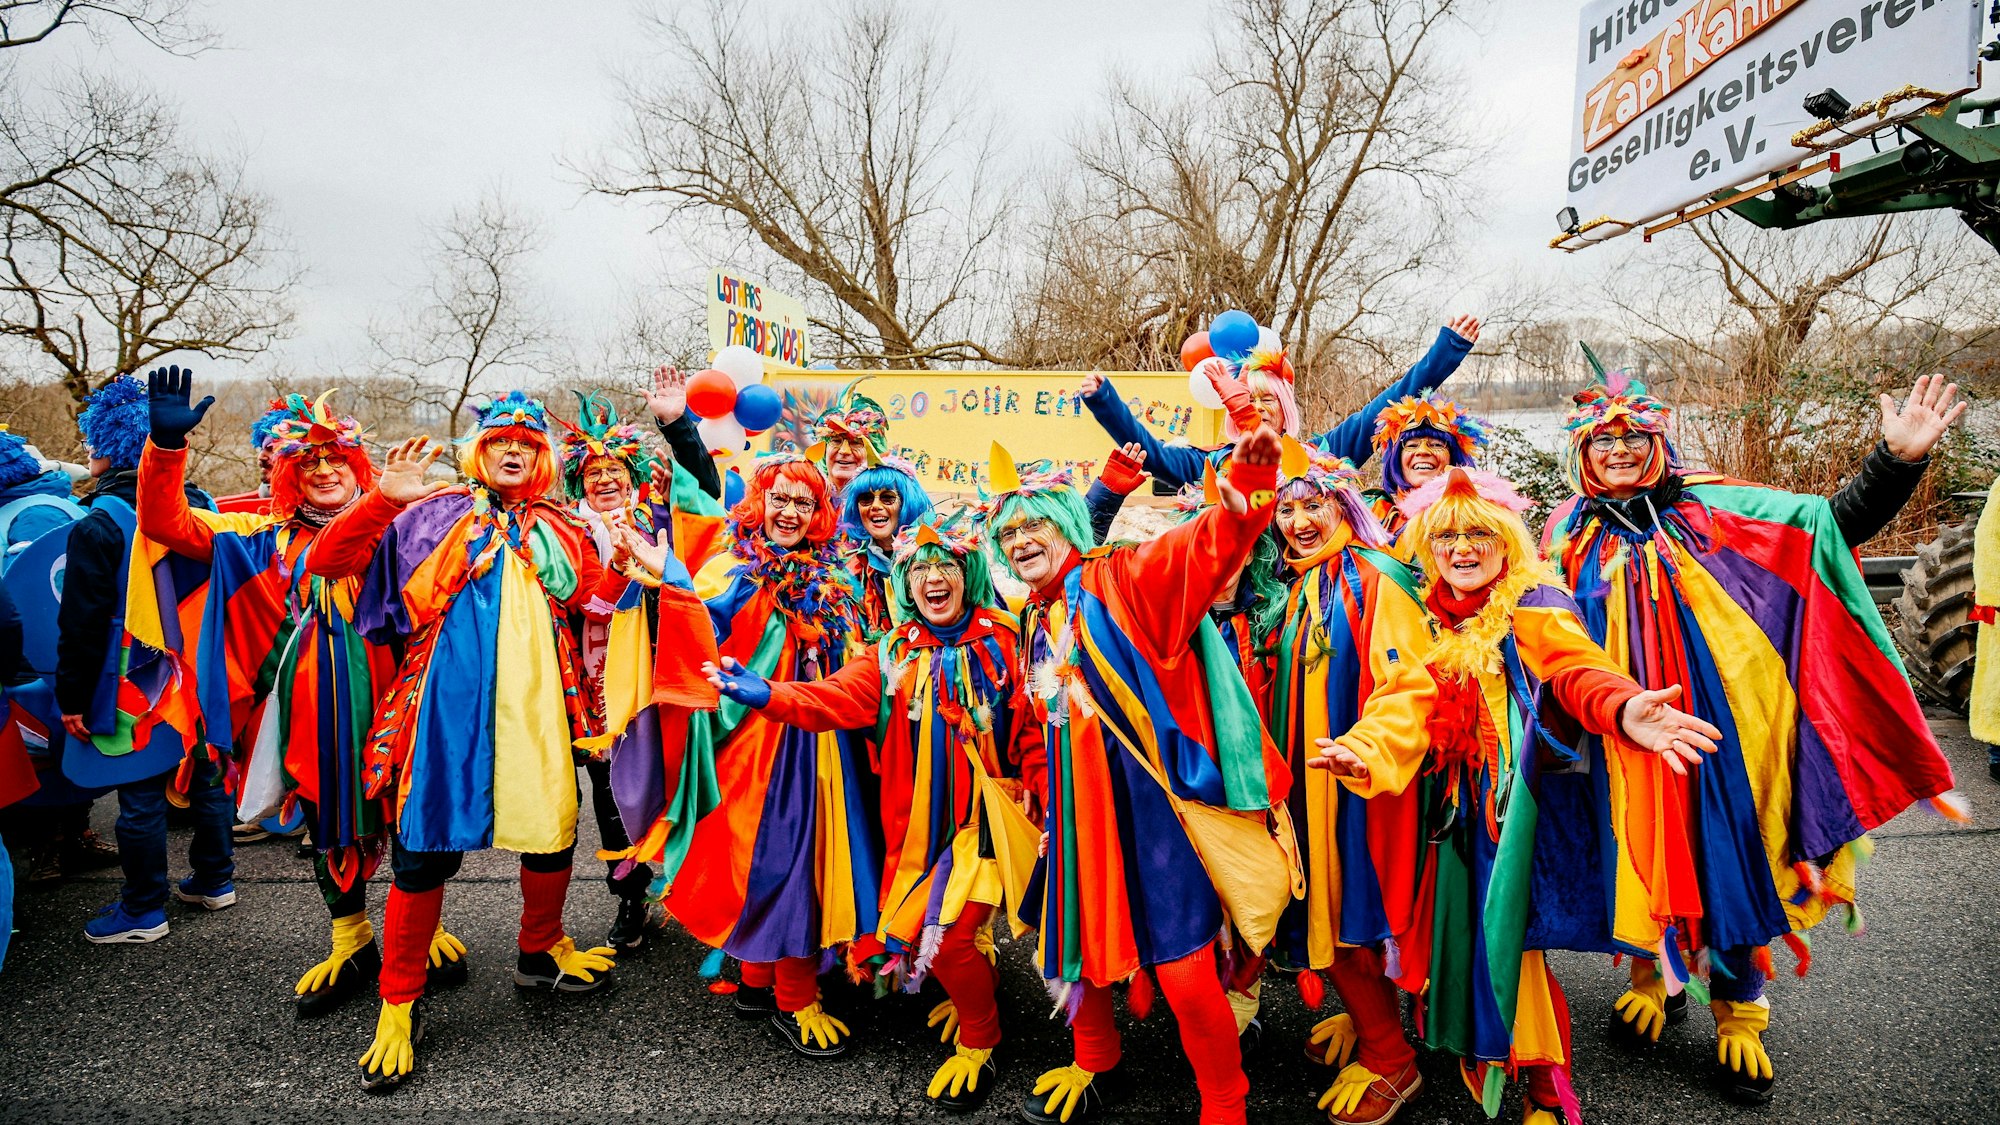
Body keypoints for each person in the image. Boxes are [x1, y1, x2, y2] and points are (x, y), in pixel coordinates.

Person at [1541, 366, 1962, 1105]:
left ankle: (1740, 1008)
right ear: (1580, 450)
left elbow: (1822, 526)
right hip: (1622, 738)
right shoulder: (1564, 533)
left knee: (1730, 855)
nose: (1615, 450)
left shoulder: (1712, 506)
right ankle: (1654, 977)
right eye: (1601, 439)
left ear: (1657, 441)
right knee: (1633, 854)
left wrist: (1894, 463)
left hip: (1721, 736)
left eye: (1632, 436)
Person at [1311, 467, 1719, 1125]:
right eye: (1447, 536)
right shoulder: (1426, 611)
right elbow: (1406, 699)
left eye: (1478, 533)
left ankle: (1548, 1094)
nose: (1462, 549)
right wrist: (1362, 749)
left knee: (1514, 951)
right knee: (1465, 945)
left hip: (1516, 820)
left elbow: (1575, 668)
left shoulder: (1533, 602)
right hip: (1451, 819)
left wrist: (1621, 706)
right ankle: (1477, 1058)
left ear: (1506, 542)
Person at [987, 403, 1292, 1125]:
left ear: (1069, 526)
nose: (1022, 540)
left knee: (1186, 971)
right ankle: (1095, 1060)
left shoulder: (1123, 578)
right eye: (1008, 533)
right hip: (1076, 812)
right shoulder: (1036, 611)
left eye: (1036, 525)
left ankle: (1226, 1103)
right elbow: (1038, 716)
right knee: (1070, 945)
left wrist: (1249, 476)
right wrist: (1036, 781)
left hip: (1154, 812)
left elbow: (1206, 545)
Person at [307, 392, 622, 1090]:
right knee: (422, 851)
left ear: (544, 458)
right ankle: (398, 999)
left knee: (552, 830)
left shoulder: (568, 527)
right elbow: (330, 562)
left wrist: (640, 555)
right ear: (480, 449)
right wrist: (383, 501)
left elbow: (603, 601)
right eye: (502, 439)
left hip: (539, 708)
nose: (514, 450)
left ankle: (540, 950)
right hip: (444, 710)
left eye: (529, 443)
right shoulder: (433, 514)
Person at [136, 370, 468, 1017]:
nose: (324, 470)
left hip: (401, 710)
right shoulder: (259, 537)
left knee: (414, 826)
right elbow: (164, 521)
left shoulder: (397, 528)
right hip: (307, 719)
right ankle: (351, 935)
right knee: (325, 822)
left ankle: (418, 926)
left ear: (358, 465)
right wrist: (164, 449)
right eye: (309, 460)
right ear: (287, 474)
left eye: (337, 458)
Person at [704, 511, 1040, 1111]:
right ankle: (971, 991)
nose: (934, 579)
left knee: (954, 941)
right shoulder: (892, 653)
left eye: (946, 567)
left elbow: (1034, 731)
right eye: (921, 571)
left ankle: (980, 1042)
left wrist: (1042, 799)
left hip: (983, 827)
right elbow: (836, 696)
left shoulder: (1006, 640)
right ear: (906, 586)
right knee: (924, 934)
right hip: (912, 831)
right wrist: (768, 694)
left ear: (969, 574)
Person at [654, 451, 879, 1059]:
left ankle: (761, 980)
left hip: (820, 738)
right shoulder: (732, 570)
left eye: (804, 503)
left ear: (819, 513)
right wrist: (670, 576)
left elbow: (853, 651)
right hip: (755, 743)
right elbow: (697, 625)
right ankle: (790, 998)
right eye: (779, 499)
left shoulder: (837, 577)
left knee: (808, 860)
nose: (790, 512)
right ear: (759, 503)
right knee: (771, 862)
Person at [1260, 452, 1434, 1080]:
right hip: (1311, 782)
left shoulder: (1374, 577)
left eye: (1315, 505)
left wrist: (1362, 748)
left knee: (1347, 917)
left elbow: (1409, 684)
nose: (1300, 520)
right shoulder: (1306, 579)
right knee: (1326, 913)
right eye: (1287, 508)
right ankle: (1371, 1020)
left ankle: (1391, 1057)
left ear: (1346, 506)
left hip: (1360, 786)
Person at [55, 373, 234, 944]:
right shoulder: (200, 505)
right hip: (201, 667)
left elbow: (80, 624)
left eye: (94, 444)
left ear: (111, 445)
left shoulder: (97, 524)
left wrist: (72, 697)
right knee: (205, 773)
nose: (89, 455)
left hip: (134, 676)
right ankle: (213, 879)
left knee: (139, 791)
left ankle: (142, 909)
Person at [1077, 317, 1480, 492]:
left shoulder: (1322, 454)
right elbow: (1155, 456)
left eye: (1266, 398)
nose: (1258, 407)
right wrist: (1105, 401)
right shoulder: (1214, 465)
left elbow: (1387, 404)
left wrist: (1448, 349)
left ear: (1284, 403)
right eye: (1248, 399)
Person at [1362, 392, 1491, 540]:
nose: (1423, 451)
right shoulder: (1371, 515)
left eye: (1436, 444)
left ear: (1454, 458)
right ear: (1396, 459)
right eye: (1412, 445)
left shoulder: (1480, 514)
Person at [836, 455, 934, 640]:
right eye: (866, 499)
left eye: (887, 498)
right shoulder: (853, 572)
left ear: (907, 503)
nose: (875, 506)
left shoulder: (939, 556)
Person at [810, 381, 892, 495]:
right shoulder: (806, 498)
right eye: (836, 441)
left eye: (856, 442)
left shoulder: (886, 501)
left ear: (875, 452)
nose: (844, 451)